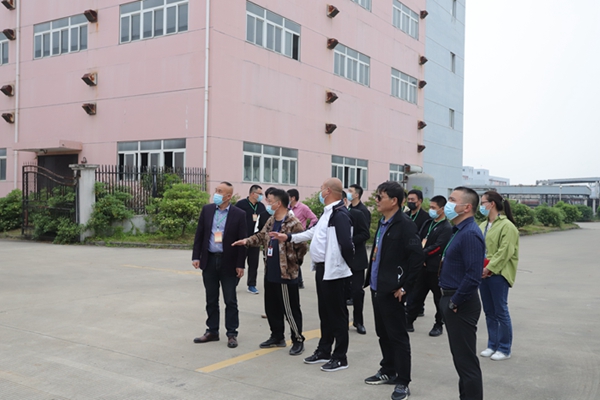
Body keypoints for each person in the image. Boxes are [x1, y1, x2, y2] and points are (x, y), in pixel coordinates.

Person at [271, 178, 354, 372]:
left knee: (337, 315)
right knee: (325, 313)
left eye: (322, 188)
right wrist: (288, 237)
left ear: (328, 191)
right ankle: (324, 350)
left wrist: (344, 269)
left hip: (334, 272)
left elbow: (347, 245)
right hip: (323, 270)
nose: (320, 192)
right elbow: (312, 233)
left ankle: (340, 357)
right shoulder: (328, 213)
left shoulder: (340, 214)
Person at [363, 181, 423, 400]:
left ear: (394, 201)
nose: (377, 201)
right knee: (383, 333)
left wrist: (405, 287)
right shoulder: (383, 222)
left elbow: (417, 259)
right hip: (377, 287)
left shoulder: (405, 225)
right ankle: (388, 369)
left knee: (398, 337)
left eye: (380, 197)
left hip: (393, 291)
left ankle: (403, 382)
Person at [233, 189, 308, 356]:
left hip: (286, 274)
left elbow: (302, 247)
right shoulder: (271, 220)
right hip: (271, 272)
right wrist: (246, 241)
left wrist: (293, 263)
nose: (267, 203)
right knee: (272, 307)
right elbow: (261, 236)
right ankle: (277, 336)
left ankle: (298, 340)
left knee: (290, 309)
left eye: (270, 201)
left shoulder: (293, 223)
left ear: (278, 203)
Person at [439, 186, 485, 400]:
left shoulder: (470, 234)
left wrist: (455, 302)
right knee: (461, 360)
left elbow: (473, 276)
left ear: (466, 207)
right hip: (451, 298)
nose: (447, 204)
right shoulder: (459, 230)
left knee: (466, 362)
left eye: (452, 200)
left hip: (460, 302)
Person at [192, 182, 247, 349]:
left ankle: (232, 333)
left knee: (230, 299)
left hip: (228, 262)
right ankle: (212, 331)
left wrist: (240, 264)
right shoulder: (207, 210)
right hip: (209, 260)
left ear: (228, 196)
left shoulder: (239, 214)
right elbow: (200, 234)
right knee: (211, 299)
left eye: (220, 191)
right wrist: (196, 256)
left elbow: (242, 241)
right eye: (216, 190)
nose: (216, 193)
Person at [478, 191, 519, 361]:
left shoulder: (507, 226)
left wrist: (490, 268)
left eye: (483, 203)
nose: (481, 206)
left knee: (500, 310)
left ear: (492, 204)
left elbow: (505, 251)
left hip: (498, 273)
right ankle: (492, 344)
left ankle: (504, 348)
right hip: (483, 273)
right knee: (489, 311)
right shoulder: (483, 225)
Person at [405, 195, 452, 336]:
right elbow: (418, 238)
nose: (431, 210)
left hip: (435, 269)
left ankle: (438, 324)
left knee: (438, 299)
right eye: (430, 207)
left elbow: (438, 246)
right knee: (415, 296)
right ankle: (408, 321)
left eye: (433, 208)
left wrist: (422, 254)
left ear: (442, 209)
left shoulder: (446, 227)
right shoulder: (428, 223)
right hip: (422, 267)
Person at [343, 191, 370, 335]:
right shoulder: (331, 216)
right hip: (340, 261)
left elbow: (365, 234)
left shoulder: (357, 214)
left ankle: (358, 321)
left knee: (357, 292)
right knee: (341, 292)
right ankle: (343, 321)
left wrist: (349, 241)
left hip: (357, 260)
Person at [234, 185, 266, 295]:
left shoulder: (261, 207)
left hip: (255, 240)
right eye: (260, 194)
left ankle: (251, 285)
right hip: (242, 239)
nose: (261, 196)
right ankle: (233, 284)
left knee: (253, 263)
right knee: (239, 262)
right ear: (252, 194)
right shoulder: (241, 204)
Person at [287, 188, 317, 289]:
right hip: (289, 236)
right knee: (291, 258)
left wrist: (307, 230)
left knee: (296, 258)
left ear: (293, 198)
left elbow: (314, 219)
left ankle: (298, 281)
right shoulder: (287, 208)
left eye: (288, 197)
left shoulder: (303, 207)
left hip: (300, 236)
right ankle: (296, 280)